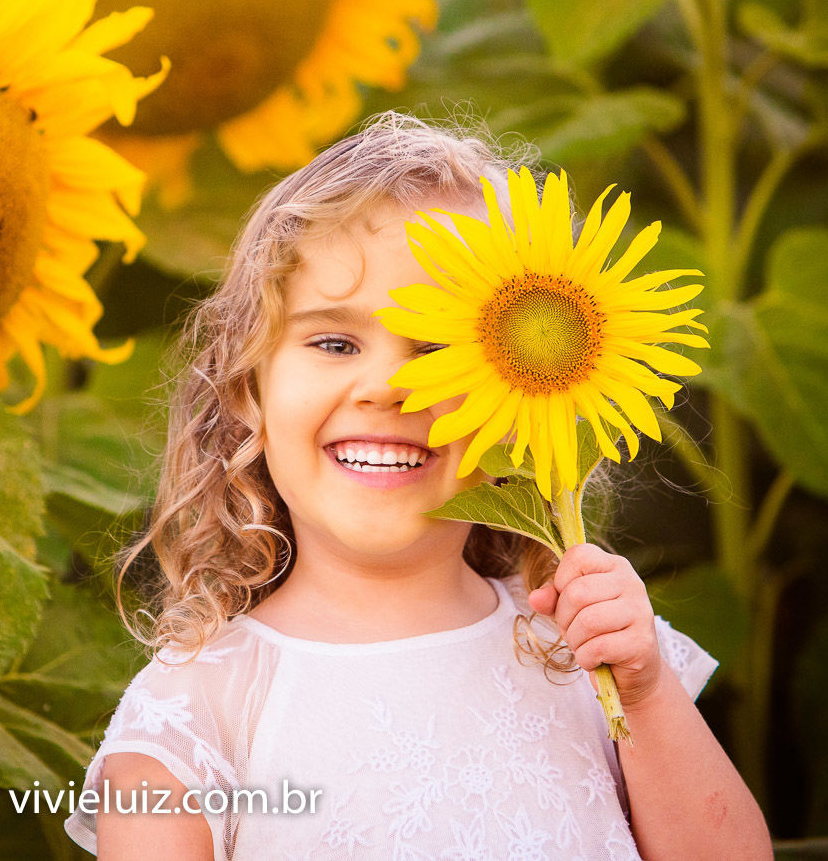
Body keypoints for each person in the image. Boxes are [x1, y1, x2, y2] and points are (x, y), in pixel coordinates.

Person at [63, 113, 771, 860]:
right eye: (334, 342)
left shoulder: (584, 654)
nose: (388, 387)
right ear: (248, 389)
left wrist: (648, 692)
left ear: (525, 396)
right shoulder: (200, 709)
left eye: (439, 348)